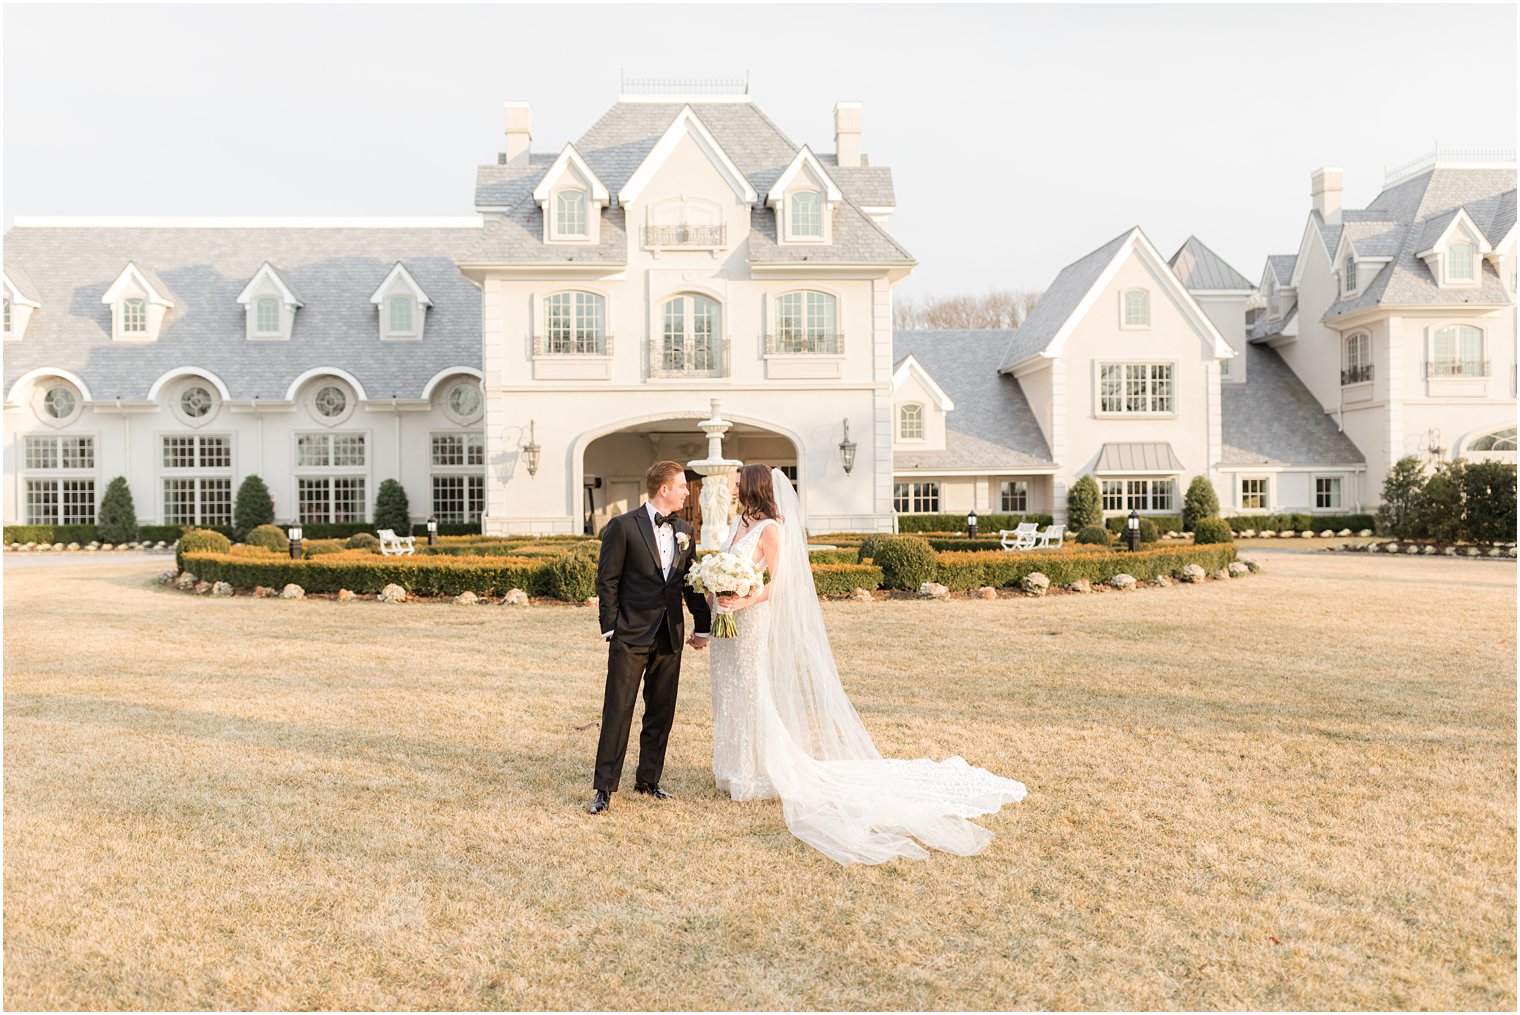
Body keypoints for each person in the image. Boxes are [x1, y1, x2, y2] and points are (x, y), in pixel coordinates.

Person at [707, 464, 1026, 864]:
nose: (732, 490)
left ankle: (757, 772)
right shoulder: (737, 523)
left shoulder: (770, 529)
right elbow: (723, 570)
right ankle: (732, 767)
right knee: (729, 690)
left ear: (752, 487)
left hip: (751, 620)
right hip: (727, 622)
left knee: (753, 690)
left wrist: (746, 599)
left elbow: (782, 582)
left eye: (737, 484)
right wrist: (715, 596)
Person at [588, 461, 710, 815]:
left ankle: (648, 779)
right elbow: (607, 580)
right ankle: (604, 788)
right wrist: (611, 626)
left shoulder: (685, 530)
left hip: (670, 633)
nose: (687, 492)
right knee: (618, 710)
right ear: (664, 489)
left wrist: (702, 626)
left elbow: (691, 582)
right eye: (682, 486)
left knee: (661, 711)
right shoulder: (622, 527)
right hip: (630, 633)